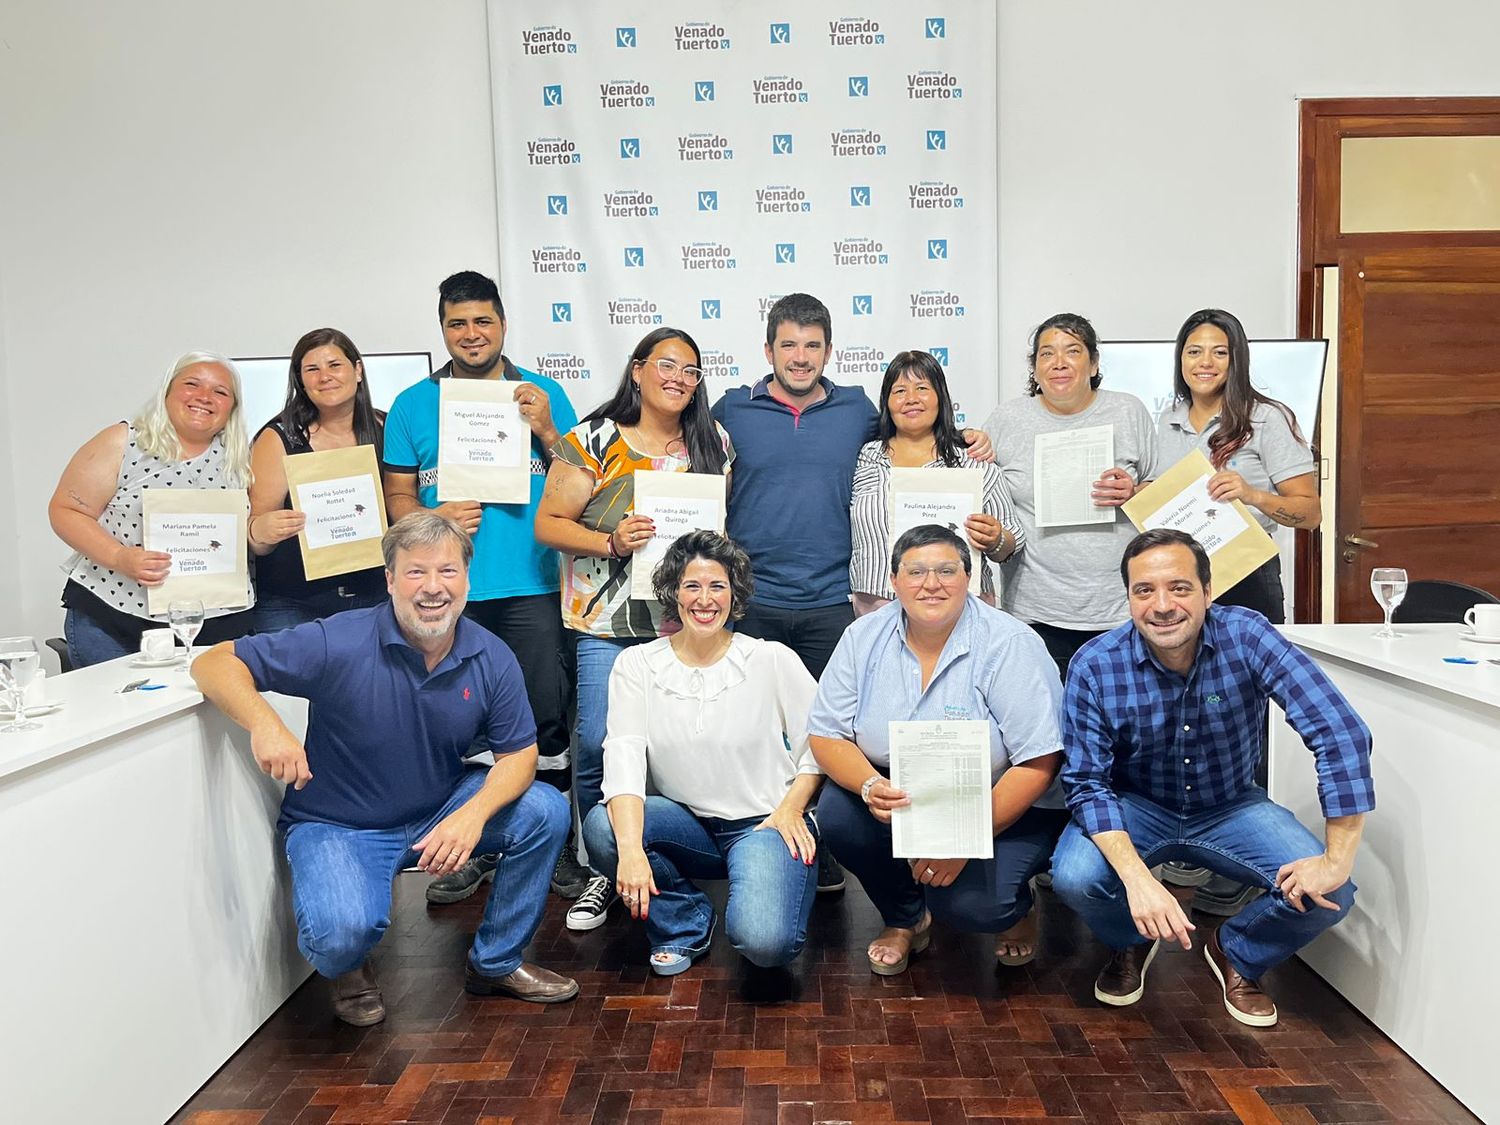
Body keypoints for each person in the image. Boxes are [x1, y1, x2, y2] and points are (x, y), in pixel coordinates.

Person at [191, 512, 578, 1025]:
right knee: (339, 936)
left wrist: (474, 814)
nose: (433, 588)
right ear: (390, 579)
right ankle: (349, 967)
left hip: (438, 809)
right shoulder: (338, 639)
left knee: (545, 810)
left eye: (447, 572)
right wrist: (265, 724)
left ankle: (496, 962)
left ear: (467, 579)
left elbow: (520, 756)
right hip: (338, 823)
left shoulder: (492, 655)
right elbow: (214, 662)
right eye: (416, 573)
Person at [713, 293, 992, 894]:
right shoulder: (732, 408)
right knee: (757, 730)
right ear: (768, 350)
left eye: (813, 345)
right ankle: (760, 842)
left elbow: (914, 430)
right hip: (750, 598)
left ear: (829, 351)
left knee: (830, 735)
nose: (800, 356)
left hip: (833, 601)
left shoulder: (858, 409)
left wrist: (968, 435)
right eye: (788, 344)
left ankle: (822, 841)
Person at [1050, 528, 1373, 1027]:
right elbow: (1087, 781)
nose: (1162, 605)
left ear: (1208, 591)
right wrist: (1140, 883)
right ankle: (1131, 942)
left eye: (1179, 588)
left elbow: (1340, 731)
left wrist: (1337, 858)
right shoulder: (1095, 664)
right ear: (1129, 598)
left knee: (1334, 894)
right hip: (1136, 806)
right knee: (1075, 878)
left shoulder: (1248, 635)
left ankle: (1236, 950)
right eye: (1144, 590)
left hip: (1231, 805)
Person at [382, 271, 585, 906]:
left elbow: (587, 484)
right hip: (446, 595)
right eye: (457, 323)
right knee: (463, 729)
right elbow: (396, 497)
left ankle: (549, 850)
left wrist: (549, 430)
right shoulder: (414, 404)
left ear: (503, 324)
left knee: (545, 722)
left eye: (483, 322)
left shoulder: (543, 392)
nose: (471, 334)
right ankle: (479, 850)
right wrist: (433, 524)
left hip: (531, 586)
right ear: (442, 329)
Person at [535, 328, 734, 932]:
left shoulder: (713, 442)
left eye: (691, 369)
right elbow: (547, 524)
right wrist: (610, 540)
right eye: (666, 364)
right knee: (597, 741)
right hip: (606, 621)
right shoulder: (591, 439)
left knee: (671, 748)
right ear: (638, 369)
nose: (678, 377)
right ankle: (600, 866)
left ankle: (653, 860)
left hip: (684, 624)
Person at [808, 524, 1068, 975]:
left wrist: (965, 836)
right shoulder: (862, 637)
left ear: (968, 578)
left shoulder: (1010, 643)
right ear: (893, 582)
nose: (931, 584)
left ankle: (1020, 908)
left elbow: (1040, 759)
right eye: (916, 572)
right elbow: (827, 733)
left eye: (947, 570)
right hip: (906, 793)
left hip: (1002, 797)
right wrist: (869, 784)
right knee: (837, 815)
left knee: (974, 909)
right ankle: (906, 917)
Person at [581, 531, 821, 975]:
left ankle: (768, 887)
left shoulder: (771, 659)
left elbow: (821, 745)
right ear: (673, 592)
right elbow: (624, 757)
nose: (704, 599)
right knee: (604, 826)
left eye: (718, 586)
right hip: (687, 825)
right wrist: (631, 851)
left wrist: (792, 809)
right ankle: (687, 923)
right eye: (692, 586)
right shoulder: (637, 665)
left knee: (766, 944)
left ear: (736, 594)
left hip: (764, 823)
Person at [48, 351, 257, 667]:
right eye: (192, 384)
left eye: (220, 391)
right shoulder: (125, 441)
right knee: (119, 711)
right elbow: (66, 510)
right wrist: (120, 557)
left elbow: (255, 530)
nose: (204, 397)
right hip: (114, 615)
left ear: (232, 407)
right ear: (168, 392)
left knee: (209, 717)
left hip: (215, 623)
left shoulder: (243, 460)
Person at [982, 313, 1155, 680]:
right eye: (1046, 354)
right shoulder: (1006, 419)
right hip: (1035, 611)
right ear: (1034, 368)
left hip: (1119, 609)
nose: (1058, 363)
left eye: (1072, 351)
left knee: (1122, 728)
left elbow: (1164, 495)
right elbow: (978, 486)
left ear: (1093, 363)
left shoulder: (1129, 411)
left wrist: (1135, 491)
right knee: (1047, 730)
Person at [1154, 308, 1319, 623]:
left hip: (1248, 573)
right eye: (1194, 352)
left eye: (1219, 352)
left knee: (1249, 671)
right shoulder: (1165, 421)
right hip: (1179, 577)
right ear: (1181, 360)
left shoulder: (1267, 418)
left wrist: (1251, 494)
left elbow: (1310, 515)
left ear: (1236, 361)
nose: (1205, 362)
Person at [849, 350, 1023, 615]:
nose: (911, 399)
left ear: (941, 397)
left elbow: (1013, 542)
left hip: (960, 610)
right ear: (886, 402)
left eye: (922, 388)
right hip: (878, 610)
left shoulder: (974, 461)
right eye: (899, 391)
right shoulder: (865, 456)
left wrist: (996, 539)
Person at [248, 328, 388, 631]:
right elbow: (256, 537)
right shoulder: (277, 438)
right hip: (293, 605)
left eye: (334, 365)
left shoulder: (388, 428)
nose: (324, 376)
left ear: (358, 370)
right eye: (312, 369)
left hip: (378, 596)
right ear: (300, 380)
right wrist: (264, 530)